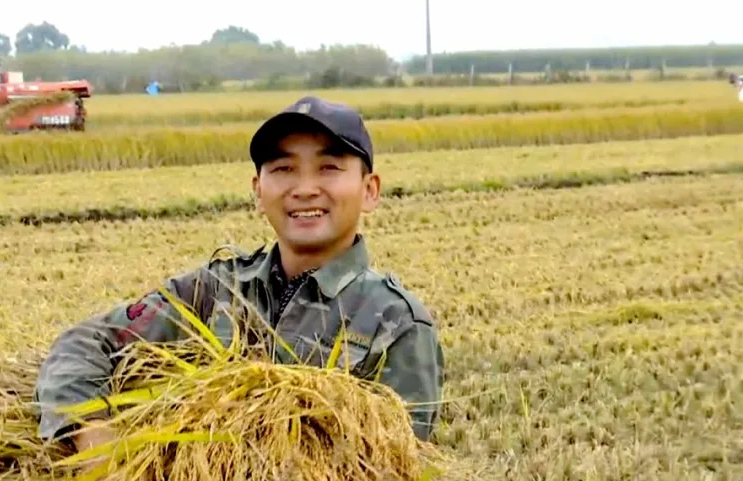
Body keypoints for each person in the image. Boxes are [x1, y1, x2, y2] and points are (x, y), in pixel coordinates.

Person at [34, 95, 446, 459]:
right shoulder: (215, 290)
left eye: (329, 167)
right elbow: (87, 341)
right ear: (257, 191)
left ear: (370, 190)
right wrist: (90, 435)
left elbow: (396, 477)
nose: (304, 188)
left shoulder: (396, 324)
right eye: (283, 168)